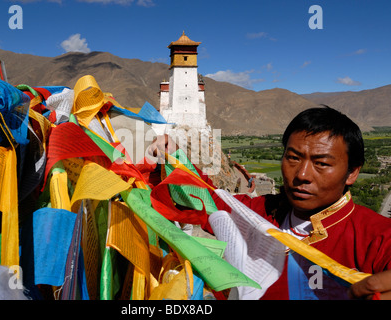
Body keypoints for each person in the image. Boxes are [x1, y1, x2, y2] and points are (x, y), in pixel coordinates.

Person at [149, 106, 391, 300]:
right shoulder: (257, 212)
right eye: (293, 158)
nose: (302, 175)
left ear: (351, 173)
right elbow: (202, 200)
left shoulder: (376, 235)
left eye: (322, 163)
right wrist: (173, 156)